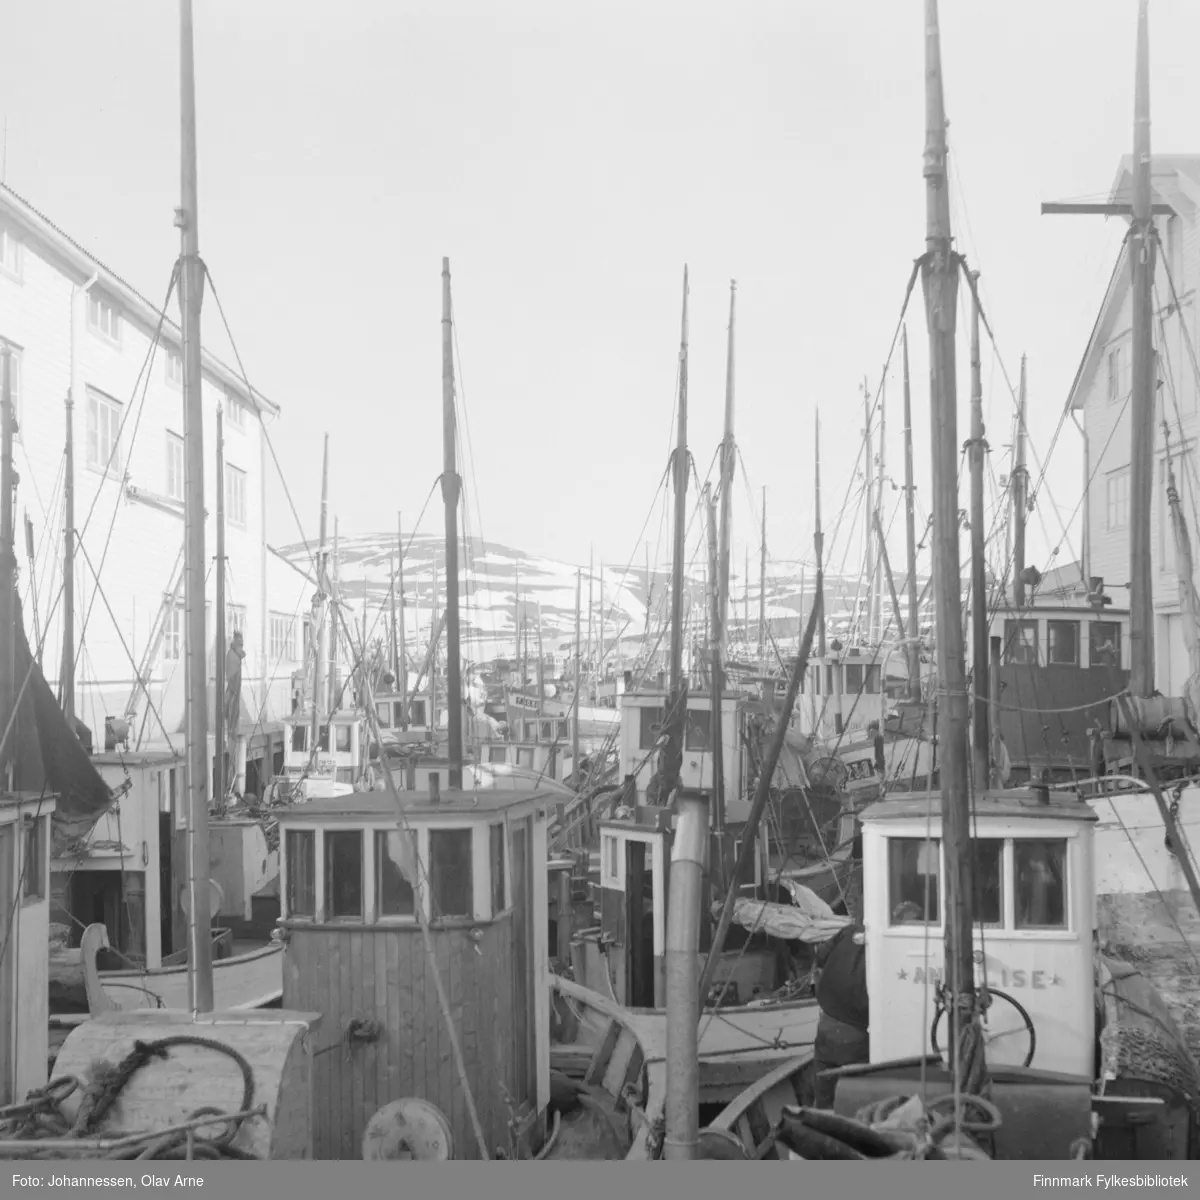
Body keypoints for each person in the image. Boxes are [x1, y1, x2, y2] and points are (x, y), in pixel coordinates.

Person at [812, 917, 870, 1109]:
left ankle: (820, 1118)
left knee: (824, 1096)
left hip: (827, 1029)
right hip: (856, 1038)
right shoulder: (888, 948)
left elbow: (820, 957)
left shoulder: (847, 932)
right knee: (856, 1104)